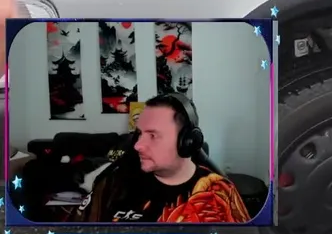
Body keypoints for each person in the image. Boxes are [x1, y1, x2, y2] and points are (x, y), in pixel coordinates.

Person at [73, 93, 253, 224]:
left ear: (187, 141)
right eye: (139, 134)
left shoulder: (218, 192)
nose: (138, 145)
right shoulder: (114, 182)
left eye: (153, 135)